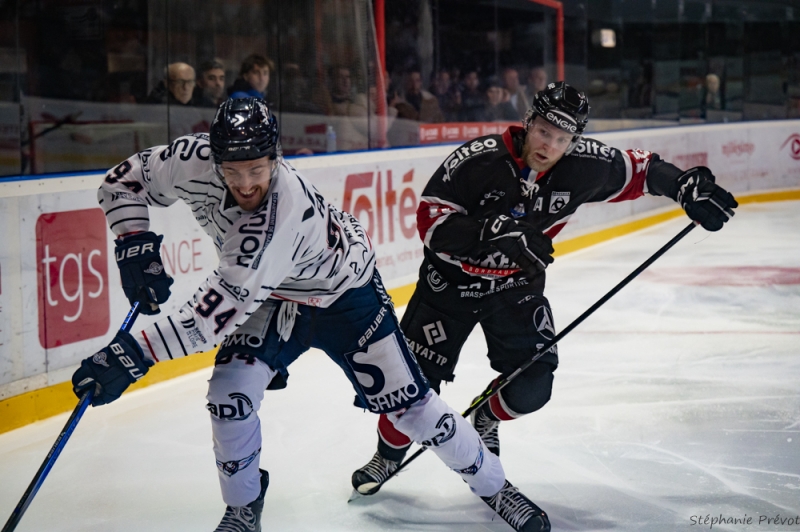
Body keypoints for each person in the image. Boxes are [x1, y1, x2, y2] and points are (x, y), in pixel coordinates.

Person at [70, 97, 550, 532]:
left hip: (345, 296)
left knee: (414, 411)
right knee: (229, 396)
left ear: (276, 158)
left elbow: (206, 322)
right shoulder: (189, 159)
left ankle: (497, 488)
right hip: (274, 295)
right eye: (231, 170)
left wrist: (130, 355)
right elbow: (122, 181)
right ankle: (242, 507)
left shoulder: (279, 214)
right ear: (213, 159)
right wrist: (133, 241)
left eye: (256, 169)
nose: (244, 184)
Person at [351, 82, 738, 519]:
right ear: (529, 121)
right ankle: (387, 455)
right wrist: (492, 231)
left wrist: (685, 185)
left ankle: (485, 416)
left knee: (534, 385)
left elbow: (644, 171)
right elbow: (431, 225)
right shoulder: (478, 160)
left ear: (573, 141)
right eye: (544, 131)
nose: (549, 145)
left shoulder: (584, 166)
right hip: (448, 288)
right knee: (410, 391)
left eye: (561, 138)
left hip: (516, 288)